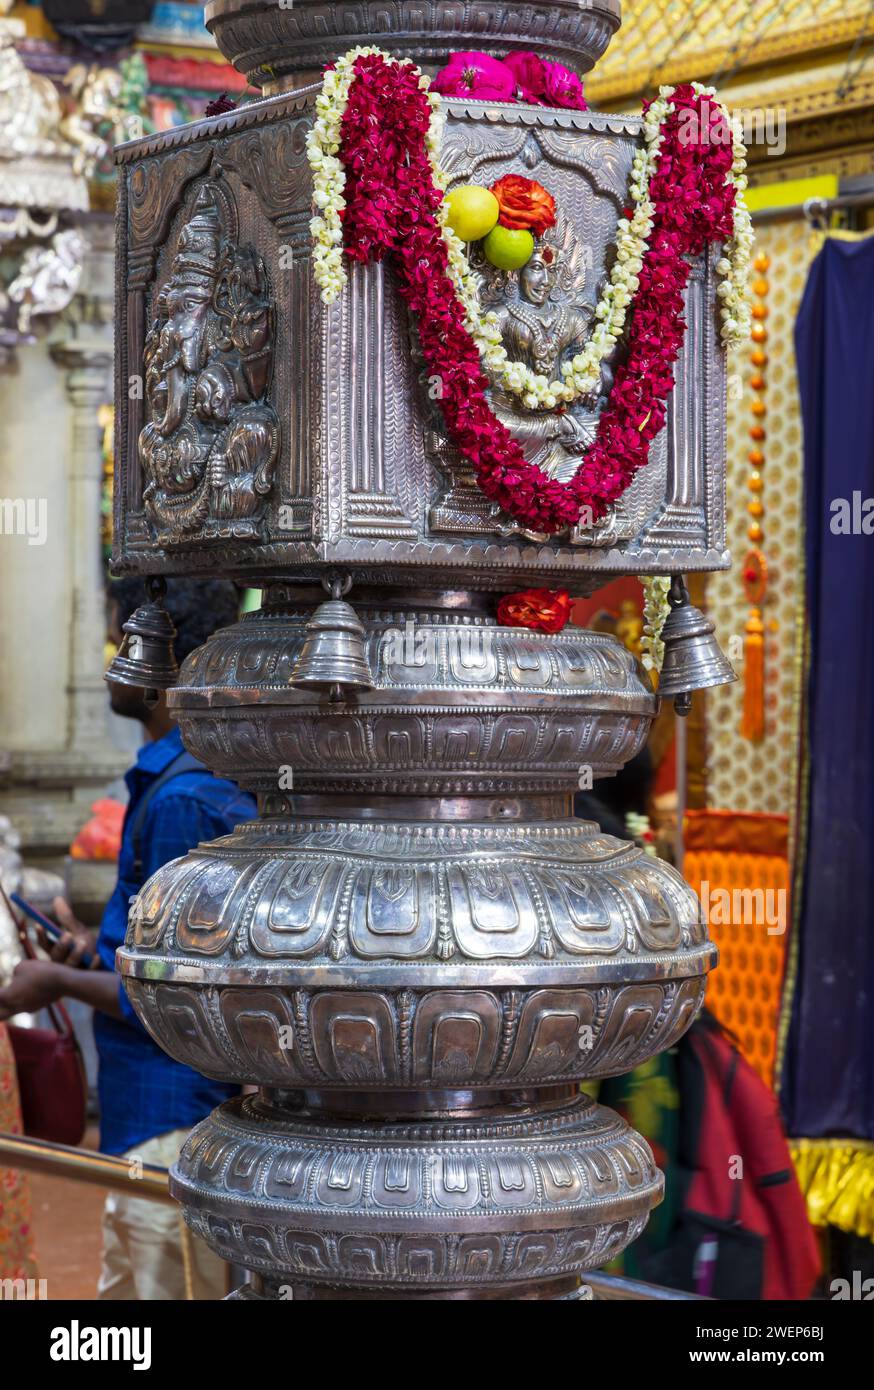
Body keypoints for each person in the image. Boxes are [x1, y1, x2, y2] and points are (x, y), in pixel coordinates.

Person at [0, 578, 256, 1300]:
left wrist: (53, 984)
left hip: (172, 1114)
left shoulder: (183, 798)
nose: (112, 660)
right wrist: (87, 951)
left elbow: (176, 997)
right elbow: (158, 956)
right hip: (154, 1113)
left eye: (121, 642)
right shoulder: (177, 781)